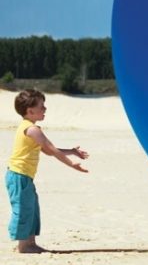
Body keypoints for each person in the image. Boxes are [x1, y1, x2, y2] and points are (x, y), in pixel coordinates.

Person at [5, 89, 89, 253]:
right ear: (30, 111)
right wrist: (72, 164)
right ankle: (23, 246)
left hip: (24, 176)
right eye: (41, 107)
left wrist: (71, 151)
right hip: (18, 176)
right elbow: (52, 150)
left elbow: (48, 150)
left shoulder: (30, 128)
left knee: (32, 208)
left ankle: (31, 243)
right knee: (23, 209)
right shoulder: (32, 129)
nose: (45, 109)